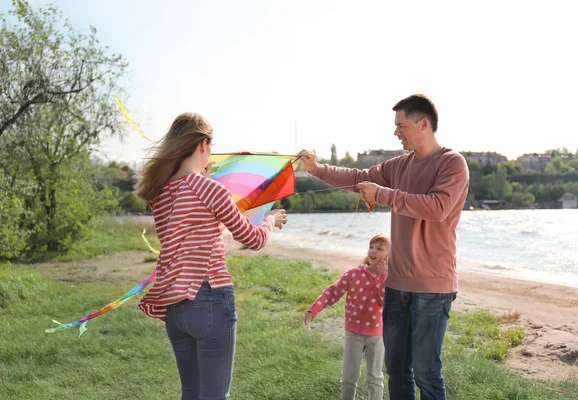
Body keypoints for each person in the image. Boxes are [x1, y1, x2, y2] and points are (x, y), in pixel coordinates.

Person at [297, 94, 469, 400]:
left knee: (427, 371)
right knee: (397, 369)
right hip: (396, 285)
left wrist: (385, 195)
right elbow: (359, 178)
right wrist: (316, 168)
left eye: (401, 125)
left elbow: (438, 207)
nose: (396, 132)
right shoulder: (399, 165)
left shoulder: (452, 163)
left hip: (433, 287)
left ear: (424, 124)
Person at [135, 112, 287, 400]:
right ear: (203, 144)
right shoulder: (209, 188)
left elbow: (190, 230)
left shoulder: (160, 192)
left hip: (175, 307)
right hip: (209, 299)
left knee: (191, 394)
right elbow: (253, 239)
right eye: (211, 147)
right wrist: (271, 220)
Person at [305, 234, 390, 400]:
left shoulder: (389, 279)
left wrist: (383, 277)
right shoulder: (354, 273)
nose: (374, 251)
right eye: (371, 247)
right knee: (349, 378)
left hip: (377, 335)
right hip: (353, 334)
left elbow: (384, 302)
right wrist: (315, 308)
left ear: (388, 256)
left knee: (375, 378)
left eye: (379, 248)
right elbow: (333, 291)